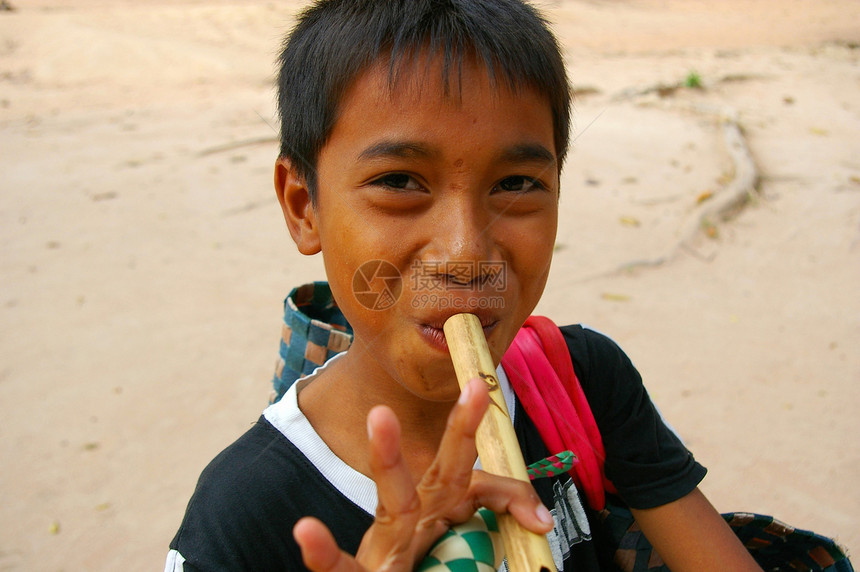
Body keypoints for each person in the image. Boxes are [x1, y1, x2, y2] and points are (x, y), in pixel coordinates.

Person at [165, 1, 762, 570]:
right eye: (399, 181)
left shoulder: (586, 382)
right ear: (304, 207)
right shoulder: (243, 520)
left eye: (517, 184)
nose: (465, 253)